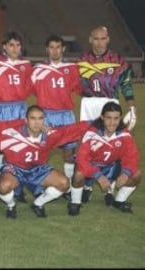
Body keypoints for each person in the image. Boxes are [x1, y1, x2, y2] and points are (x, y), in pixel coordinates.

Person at [0, 105, 90, 218]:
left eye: (40, 118)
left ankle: (38, 204)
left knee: (64, 183)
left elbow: (71, 130)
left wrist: (95, 122)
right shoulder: (10, 134)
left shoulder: (49, 135)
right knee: (3, 187)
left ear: (44, 120)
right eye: (33, 118)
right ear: (26, 120)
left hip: (38, 169)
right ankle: (11, 205)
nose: (37, 122)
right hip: (14, 169)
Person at [77, 25, 137, 202]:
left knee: (113, 145)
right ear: (90, 39)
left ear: (108, 39)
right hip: (88, 104)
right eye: (96, 38)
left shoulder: (118, 60)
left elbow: (126, 85)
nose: (99, 42)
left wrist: (131, 107)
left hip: (110, 104)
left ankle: (111, 186)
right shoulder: (81, 60)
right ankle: (87, 184)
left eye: (103, 38)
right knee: (88, 144)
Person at [68, 102, 141, 216]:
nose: (112, 122)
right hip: (92, 167)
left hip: (112, 166)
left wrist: (126, 173)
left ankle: (119, 201)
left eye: (116, 118)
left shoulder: (124, 135)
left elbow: (132, 156)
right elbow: (82, 158)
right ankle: (75, 203)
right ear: (102, 117)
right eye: (108, 118)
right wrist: (98, 176)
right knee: (78, 175)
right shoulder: (92, 133)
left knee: (136, 174)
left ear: (120, 118)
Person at [31, 35, 81, 199]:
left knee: (68, 154)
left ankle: (67, 186)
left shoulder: (72, 68)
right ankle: (38, 186)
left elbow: (80, 90)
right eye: (51, 47)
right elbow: (29, 90)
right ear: (47, 49)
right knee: (40, 152)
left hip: (66, 115)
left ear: (63, 49)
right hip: (46, 116)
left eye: (58, 47)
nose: (55, 50)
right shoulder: (37, 69)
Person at [0, 31, 33, 203]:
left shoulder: (26, 65)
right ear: (4, 46)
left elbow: (29, 88)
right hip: (1, 110)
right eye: (11, 45)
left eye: (18, 45)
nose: (15, 48)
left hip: (20, 108)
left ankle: (17, 187)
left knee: (19, 148)